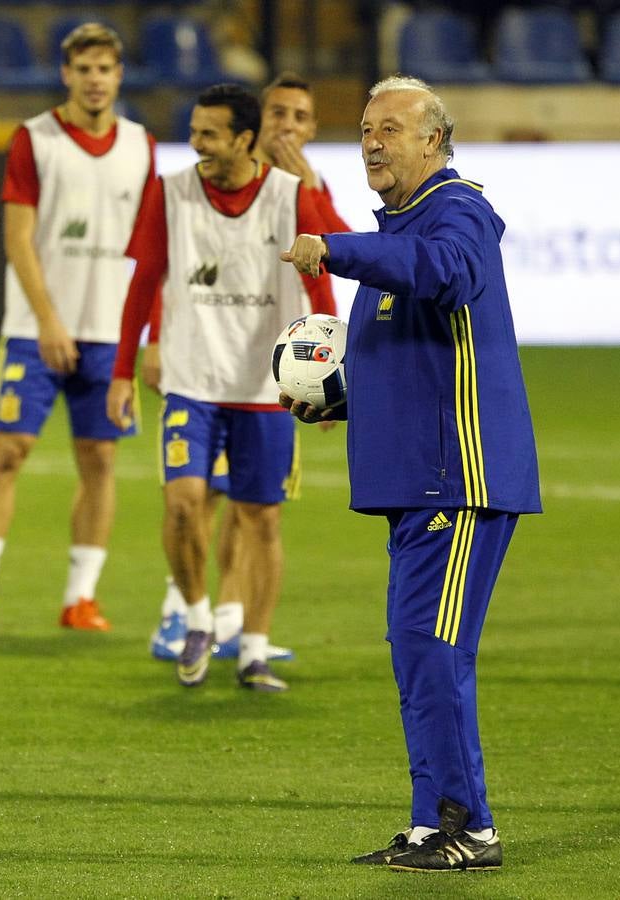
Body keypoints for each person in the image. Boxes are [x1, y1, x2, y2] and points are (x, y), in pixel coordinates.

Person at [281, 75, 541, 871]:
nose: (370, 141)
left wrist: (337, 247)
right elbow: (415, 362)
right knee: (418, 649)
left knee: (432, 648)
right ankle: (433, 820)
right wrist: (340, 400)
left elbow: (452, 272)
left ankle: (471, 826)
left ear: (433, 139)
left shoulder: (455, 209)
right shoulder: (403, 228)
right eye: (363, 129)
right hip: (416, 481)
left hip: (457, 480)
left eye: (388, 128)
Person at [107, 83, 336, 692]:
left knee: (261, 520)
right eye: (194, 130)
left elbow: (321, 284)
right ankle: (198, 617)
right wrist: (124, 369)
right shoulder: (172, 192)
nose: (196, 142)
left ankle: (254, 649)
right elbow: (143, 283)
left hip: (264, 387)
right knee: (183, 504)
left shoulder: (290, 197)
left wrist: (328, 379)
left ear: (243, 138)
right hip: (192, 379)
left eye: (209, 133)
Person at [0, 23, 154, 632]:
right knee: (9, 451)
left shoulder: (140, 144)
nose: (94, 80)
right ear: (66, 74)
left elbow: (147, 248)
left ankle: (81, 597)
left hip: (109, 332)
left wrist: (139, 335)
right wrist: (48, 320)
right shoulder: (33, 140)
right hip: (37, 330)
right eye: (84, 69)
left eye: (105, 70)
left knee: (100, 460)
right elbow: (18, 240)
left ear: (119, 76)